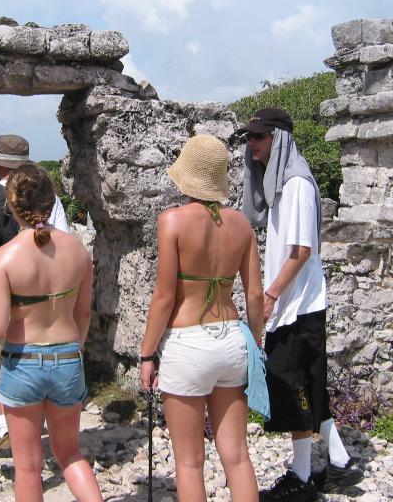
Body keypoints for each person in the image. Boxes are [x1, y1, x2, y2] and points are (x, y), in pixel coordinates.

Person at [239, 108, 363, 501]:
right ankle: (339, 463)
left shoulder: (295, 184)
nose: (252, 143)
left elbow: (301, 250)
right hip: (297, 304)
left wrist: (271, 295)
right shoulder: (281, 183)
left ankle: (302, 476)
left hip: (298, 305)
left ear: (278, 139)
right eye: (249, 137)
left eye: (259, 136)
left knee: (292, 388)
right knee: (308, 385)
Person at [139, 135, 264, 502]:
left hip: (188, 342)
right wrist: (256, 343)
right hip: (232, 339)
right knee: (237, 456)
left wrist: (147, 354)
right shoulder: (242, 224)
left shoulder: (172, 221)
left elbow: (164, 297)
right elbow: (255, 295)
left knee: (190, 462)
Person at [0, 164, 102, 502]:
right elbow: (83, 313)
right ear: (52, 200)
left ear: (11, 205)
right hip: (67, 356)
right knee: (70, 454)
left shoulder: (3, 258)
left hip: (23, 360)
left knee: (27, 466)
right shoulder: (78, 251)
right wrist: (77, 348)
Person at [0, 134, 70, 458]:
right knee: (40, 354)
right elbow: (64, 243)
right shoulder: (51, 201)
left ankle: (7, 426)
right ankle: (42, 421)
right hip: (44, 297)